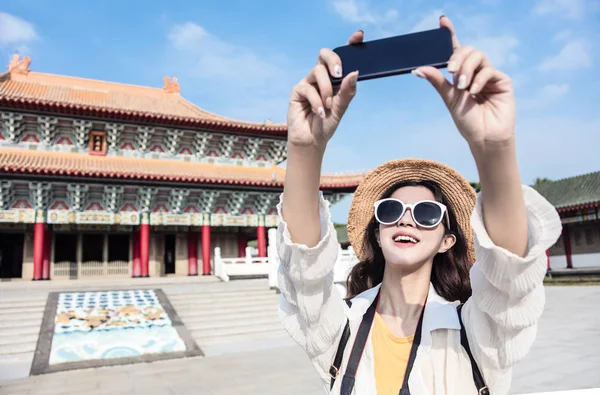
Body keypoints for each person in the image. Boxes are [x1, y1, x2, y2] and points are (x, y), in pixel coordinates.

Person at [275, 15, 562, 395]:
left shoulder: (475, 329)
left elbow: (510, 274)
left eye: (427, 214)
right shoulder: (342, 326)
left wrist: (494, 148)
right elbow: (303, 269)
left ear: (447, 239)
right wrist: (305, 148)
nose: (406, 221)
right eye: (390, 212)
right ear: (377, 232)